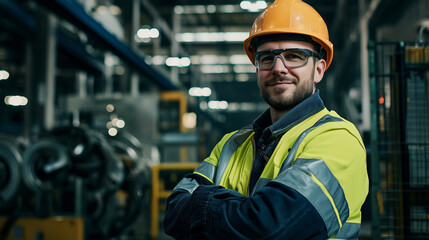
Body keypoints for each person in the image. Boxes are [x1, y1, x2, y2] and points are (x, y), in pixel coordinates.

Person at [163, 0, 369, 239]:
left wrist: (202, 206)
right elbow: (173, 211)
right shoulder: (232, 144)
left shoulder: (338, 139)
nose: (279, 68)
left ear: (319, 70)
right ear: (257, 68)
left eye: (294, 56)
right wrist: (247, 212)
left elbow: (271, 229)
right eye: (267, 58)